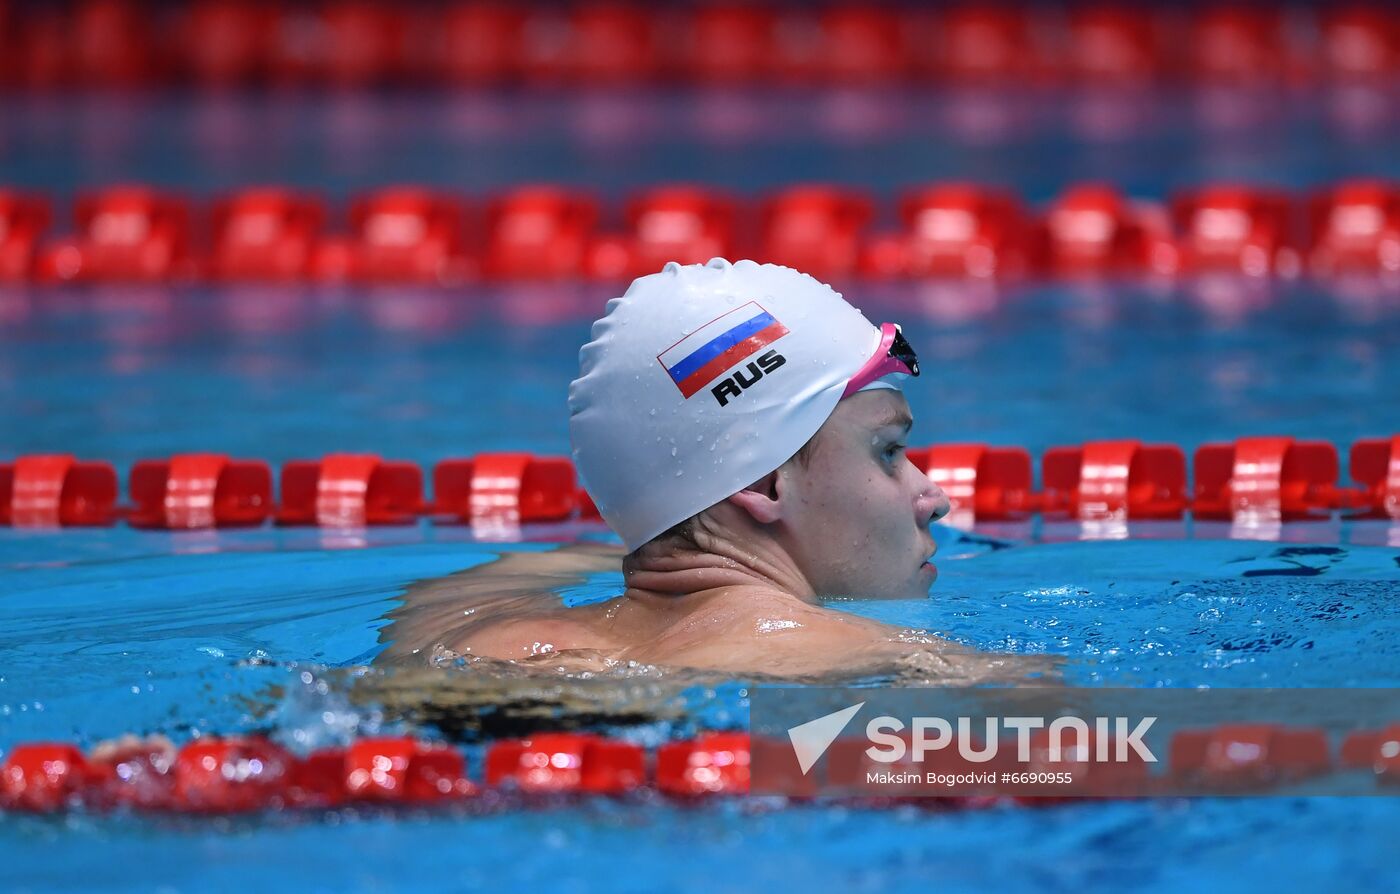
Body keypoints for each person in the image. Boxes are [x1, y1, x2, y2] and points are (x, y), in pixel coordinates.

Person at [379, 259, 1053, 683]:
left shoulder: (452, 624)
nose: (933, 497)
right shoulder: (891, 663)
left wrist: (663, 517)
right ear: (762, 487)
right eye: (888, 452)